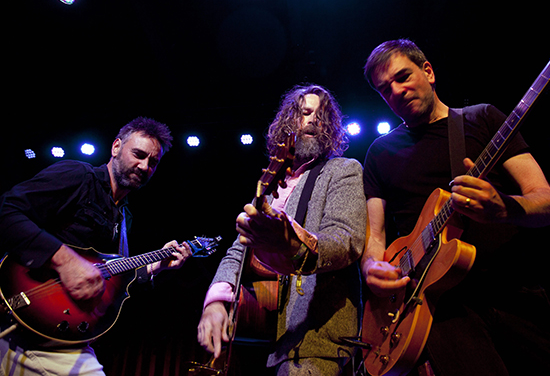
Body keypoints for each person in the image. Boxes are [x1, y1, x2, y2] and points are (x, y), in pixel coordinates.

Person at [360, 39, 550, 376]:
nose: (397, 91)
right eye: (384, 89)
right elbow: (375, 236)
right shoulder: (379, 152)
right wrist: (371, 267)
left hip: (512, 290)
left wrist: (503, 208)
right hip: (439, 308)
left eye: (403, 77)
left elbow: (549, 204)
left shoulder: (484, 118)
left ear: (428, 71)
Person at [0, 117, 193, 376]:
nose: (144, 166)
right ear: (116, 148)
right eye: (138, 154)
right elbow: (7, 211)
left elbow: (110, 276)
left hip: (62, 333)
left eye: (153, 162)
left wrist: (156, 267)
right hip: (22, 316)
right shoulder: (78, 176)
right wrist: (64, 260)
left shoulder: (125, 218)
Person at [197, 84, 367, 376]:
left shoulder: (343, 170)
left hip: (316, 340)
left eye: (322, 115)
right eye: (305, 112)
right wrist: (215, 302)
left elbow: (345, 241)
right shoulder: (271, 183)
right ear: (289, 122)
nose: (314, 119)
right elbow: (240, 247)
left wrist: (294, 243)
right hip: (264, 343)